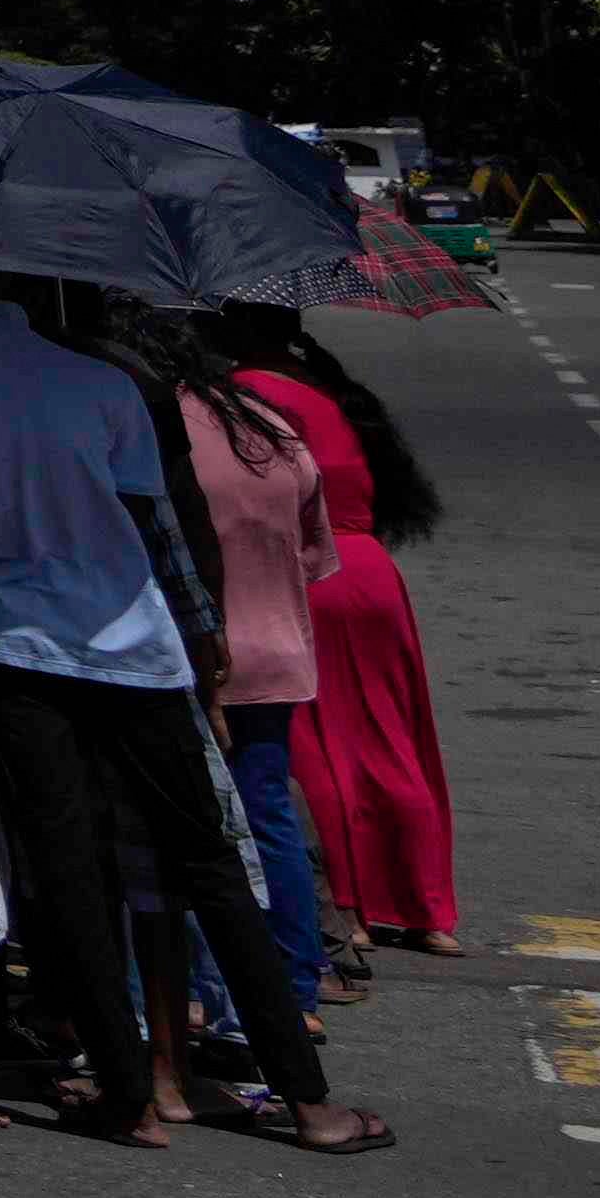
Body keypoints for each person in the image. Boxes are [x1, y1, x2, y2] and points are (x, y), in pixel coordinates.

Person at [0, 277, 380, 1153]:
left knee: (69, 871)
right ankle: (309, 1101)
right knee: (206, 862)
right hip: (136, 645)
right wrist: (204, 645)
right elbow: (157, 528)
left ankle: (127, 1095)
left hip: (4, 639)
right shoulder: (101, 380)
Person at [230, 316, 457, 955]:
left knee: (313, 751)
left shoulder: (242, 396)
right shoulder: (331, 393)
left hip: (313, 573)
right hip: (372, 574)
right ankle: (426, 910)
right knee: (391, 740)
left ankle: (349, 910)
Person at [161, 348, 346, 1054]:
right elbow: (313, 554)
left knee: (201, 831)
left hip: (198, 653)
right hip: (278, 651)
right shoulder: (271, 426)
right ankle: (295, 987)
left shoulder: (159, 425)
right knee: (269, 817)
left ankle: (216, 992)